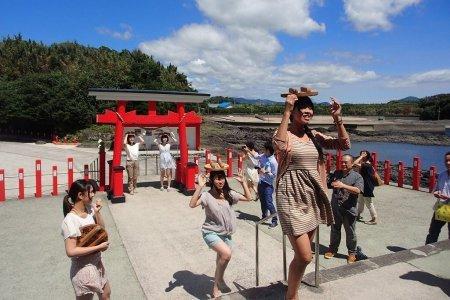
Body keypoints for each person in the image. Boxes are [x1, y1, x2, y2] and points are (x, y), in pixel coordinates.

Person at [273, 87, 350, 300]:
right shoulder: (285, 133)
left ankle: (292, 293)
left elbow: (344, 144)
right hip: (289, 195)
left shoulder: (314, 135)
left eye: (310, 108)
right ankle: (291, 296)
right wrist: (286, 111)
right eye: (302, 107)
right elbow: (278, 146)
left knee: (301, 256)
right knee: (306, 256)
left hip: (312, 196)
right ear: (294, 111)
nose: (307, 111)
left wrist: (338, 119)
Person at [189, 162, 252, 298]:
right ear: (212, 180)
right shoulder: (207, 196)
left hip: (225, 234)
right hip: (210, 232)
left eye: (222, 178)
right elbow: (192, 204)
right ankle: (215, 287)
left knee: (221, 259)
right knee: (226, 254)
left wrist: (243, 183)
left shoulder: (228, 194)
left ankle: (220, 278)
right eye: (217, 178)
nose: (220, 181)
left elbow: (249, 198)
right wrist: (200, 187)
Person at [61, 179, 111, 300]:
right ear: (80, 195)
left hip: (97, 262)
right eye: (91, 192)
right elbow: (71, 251)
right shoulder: (70, 220)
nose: (93, 195)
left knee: (106, 294)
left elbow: (101, 230)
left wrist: (97, 213)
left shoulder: (89, 210)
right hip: (82, 268)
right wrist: (99, 247)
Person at [325, 154, 364, 264]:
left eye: (346, 162)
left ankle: (352, 253)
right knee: (334, 230)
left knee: (350, 232)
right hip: (335, 207)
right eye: (341, 162)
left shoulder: (357, 176)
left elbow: (358, 190)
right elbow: (328, 184)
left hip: (349, 209)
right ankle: (333, 249)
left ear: (352, 164)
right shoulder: (336, 173)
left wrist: (343, 186)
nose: (343, 164)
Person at [425, 151, 450, 244]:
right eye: (446, 161)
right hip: (441, 207)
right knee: (433, 232)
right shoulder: (442, 175)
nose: (448, 163)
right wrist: (437, 193)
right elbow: (436, 189)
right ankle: (427, 250)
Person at [258, 140, 278, 227]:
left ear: (268, 150)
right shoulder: (263, 156)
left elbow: (274, 175)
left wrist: (266, 172)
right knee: (262, 201)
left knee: (269, 202)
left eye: (265, 149)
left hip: (268, 185)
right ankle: (264, 216)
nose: (263, 151)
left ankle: (275, 220)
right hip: (261, 182)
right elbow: (256, 157)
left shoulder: (273, 162)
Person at [354, 150, 378, 225]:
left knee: (369, 203)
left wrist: (361, 156)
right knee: (360, 201)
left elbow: (354, 163)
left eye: (363, 155)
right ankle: (357, 215)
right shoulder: (364, 164)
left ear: (366, 156)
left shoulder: (367, 165)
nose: (361, 156)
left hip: (367, 187)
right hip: (362, 185)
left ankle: (374, 219)